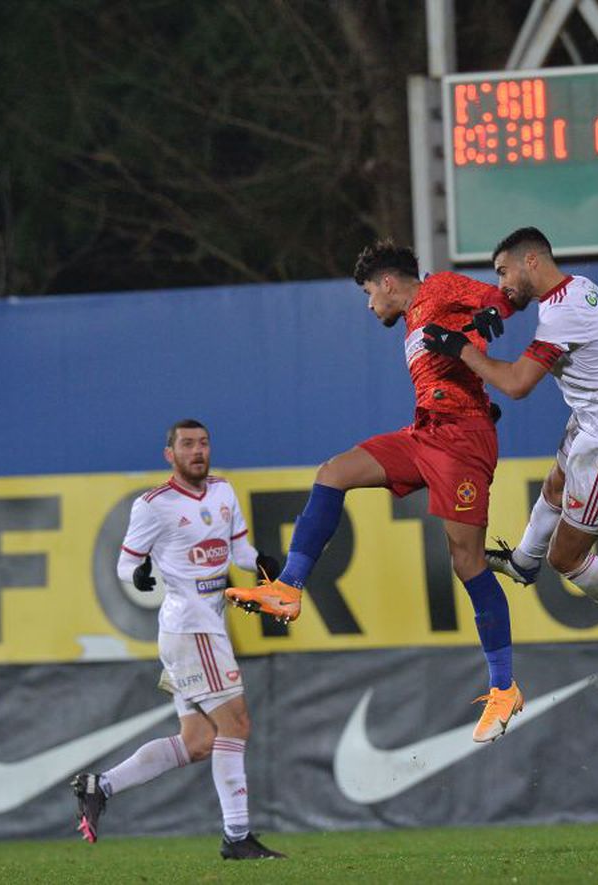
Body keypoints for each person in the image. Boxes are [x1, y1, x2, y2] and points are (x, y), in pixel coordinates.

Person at [226, 241, 525, 743]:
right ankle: (287, 588)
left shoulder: (438, 288)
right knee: (333, 472)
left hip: (462, 440)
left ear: (388, 282)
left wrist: (494, 311)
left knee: (467, 561)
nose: (369, 304)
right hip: (425, 432)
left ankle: (504, 688)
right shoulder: (413, 321)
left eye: (369, 292)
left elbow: (500, 297)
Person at [421, 227, 598, 677]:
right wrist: (477, 319)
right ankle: (523, 561)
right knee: (556, 483)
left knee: (567, 558)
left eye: (504, 272)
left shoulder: (561, 315)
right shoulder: (575, 288)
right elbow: (517, 314)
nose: (500, 284)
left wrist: (461, 348)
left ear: (532, 262)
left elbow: (517, 385)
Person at [72, 419, 285, 860]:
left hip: (208, 627)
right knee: (237, 724)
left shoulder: (225, 491)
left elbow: (238, 552)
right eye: (187, 444)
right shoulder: (154, 505)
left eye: (203, 443)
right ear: (169, 454)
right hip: (190, 628)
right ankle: (237, 836)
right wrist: (141, 573)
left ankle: (101, 786)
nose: (197, 451)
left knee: (199, 742)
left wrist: (262, 562)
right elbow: (124, 565)